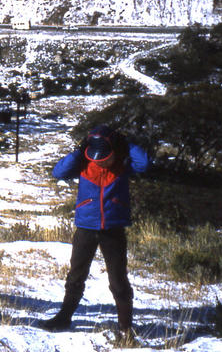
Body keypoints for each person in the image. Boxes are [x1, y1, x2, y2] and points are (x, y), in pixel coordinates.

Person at [41, 124, 150, 338]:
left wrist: (126, 143)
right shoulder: (84, 162)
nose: (100, 161)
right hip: (86, 227)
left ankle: (126, 329)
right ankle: (64, 317)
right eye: (96, 157)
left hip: (113, 229)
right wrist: (81, 150)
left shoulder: (122, 164)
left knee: (118, 280)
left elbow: (144, 164)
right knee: (75, 276)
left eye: (105, 158)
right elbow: (58, 171)